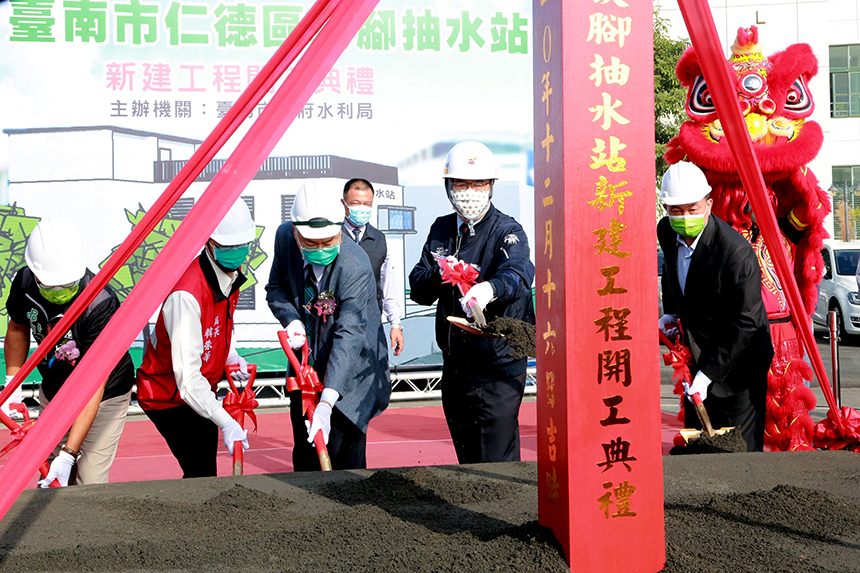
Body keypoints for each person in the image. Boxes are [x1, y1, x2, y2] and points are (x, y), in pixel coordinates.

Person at [408, 141, 535, 464]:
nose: (469, 192)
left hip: (498, 363)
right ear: (449, 188)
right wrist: (444, 273)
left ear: (491, 186)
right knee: (466, 453)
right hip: (456, 364)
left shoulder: (507, 231)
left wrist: (487, 289)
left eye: (478, 184)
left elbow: (518, 273)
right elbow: (419, 286)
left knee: (496, 455)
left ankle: (504, 508)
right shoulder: (441, 229)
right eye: (461, 184)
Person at [266, 180, 390, 471]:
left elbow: (350, 335)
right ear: (296, 233)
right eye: (310, 243)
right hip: (305, 370)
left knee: (343, 458)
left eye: (327, 242)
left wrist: (327, 401)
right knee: (307, 454)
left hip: (353, 375)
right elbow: (276, 289)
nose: (320, 249)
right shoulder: (285, 238)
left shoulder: (355, 264)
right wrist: (292, 320)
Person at [4, 218, 134, 487]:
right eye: (51, 286)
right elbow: (18, 327)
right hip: (56, 386)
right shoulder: (24, 283)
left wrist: (69, 453)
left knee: (89, 476)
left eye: (67, 284)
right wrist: (12, 381)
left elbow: (93, 384)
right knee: (50, 472)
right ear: (35, 273)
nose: (60, 292)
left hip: (105, 392)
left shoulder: (101, 303)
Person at [657, 162, 774, 452]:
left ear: (709, 204)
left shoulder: (735, 252)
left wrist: (707, 375)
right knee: (700, 450)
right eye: (676, 210)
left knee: (739, 453)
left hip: (739, 366)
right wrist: (671, 313)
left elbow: (746, 322)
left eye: (693, 209)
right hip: (696, 357)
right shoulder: (666, 232)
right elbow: (672, 275)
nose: (685, 217)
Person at [136, 200, 254, 478]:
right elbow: (187, 381)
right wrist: (226, 423)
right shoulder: (185, 296)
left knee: (202, 471)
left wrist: (231, 355)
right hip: (168, 396)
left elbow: (221, 323)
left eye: (241, 245)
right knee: (200, 472)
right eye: (227, 246)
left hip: (199, 387)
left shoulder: (228, 275)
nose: (235, 252)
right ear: (209, 243)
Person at [341, 178, 405, 356]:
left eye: (367, 204)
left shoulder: (379, 239)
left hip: (371, 324)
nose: (361, 208)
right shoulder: (333, 238)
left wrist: (395, 324)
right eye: (355, 203)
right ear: (344, 204)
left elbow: (387, 286)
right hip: (338, 325)